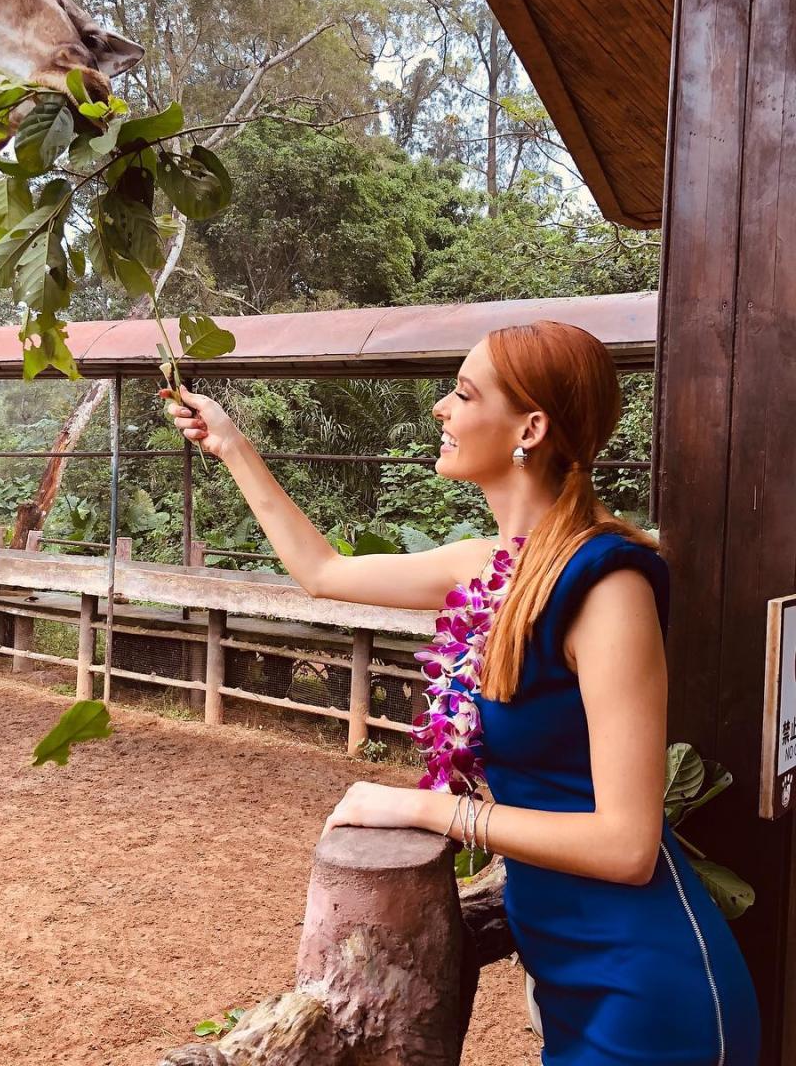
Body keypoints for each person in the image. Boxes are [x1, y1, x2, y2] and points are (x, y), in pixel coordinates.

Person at [160, 318, 761, 1065]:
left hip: (649, 993)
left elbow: (627, 844)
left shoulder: (607, 584)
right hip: (571, 976)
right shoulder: (488, 565)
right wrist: (232, 446)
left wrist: (428, 809)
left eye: (464, 392)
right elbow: (322, 573)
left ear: (531, 427)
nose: (441, 408)